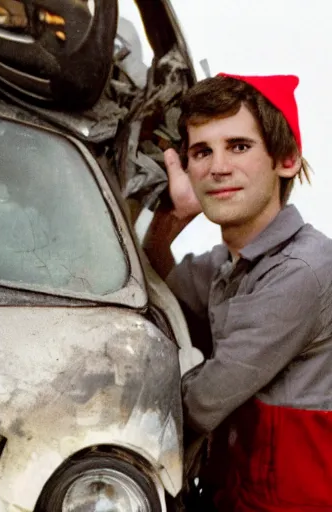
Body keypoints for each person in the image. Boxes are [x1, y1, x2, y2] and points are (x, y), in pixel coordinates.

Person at [144, 73, 332, 511]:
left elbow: (200, 403)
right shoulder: (226, 263)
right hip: (236, 497)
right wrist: (174, 214)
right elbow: (152, 290)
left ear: (285, 160)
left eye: (239, 147)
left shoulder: (301, 271)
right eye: (201, 152)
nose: (217, 167)